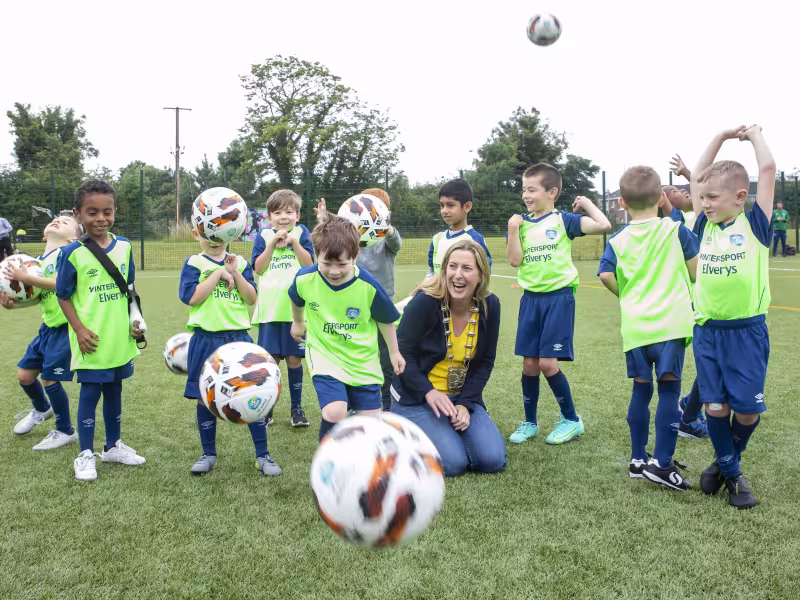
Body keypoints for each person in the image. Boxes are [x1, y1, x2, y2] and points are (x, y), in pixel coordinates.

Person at [689, 125, 775, 509]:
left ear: (741, 197)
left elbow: (768, 168)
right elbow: (696, 175)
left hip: (747, 332)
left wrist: (754, 134)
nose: (705, 203)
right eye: (702, 197)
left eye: (713, 197)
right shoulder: (704, 226)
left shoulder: (754, 225)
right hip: (708, 331)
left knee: (747, 410)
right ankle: (733, 473)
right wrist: (721, 136)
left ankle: (724, 464)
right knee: (715, 408)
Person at [598, 166, 698, 490]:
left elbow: (604, 275)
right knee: (669, 389)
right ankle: (662, 463)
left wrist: (626, 295)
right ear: (661, 198)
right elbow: (696, 272)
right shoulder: (675, 230)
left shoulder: (617, 239)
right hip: (671, 325)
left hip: (637, 328)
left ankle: (638, 459)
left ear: (623, 203)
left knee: (641, 390)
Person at [506, 163, 611, 445]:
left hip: (558, 297)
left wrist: (587, 203)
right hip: (531, 299)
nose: (526, 195)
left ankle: (572, 420)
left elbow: (604, 225)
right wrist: (513, 229)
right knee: (529, 364)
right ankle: (530, 423)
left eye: (532, 189)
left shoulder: (564, 220)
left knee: (547, 363)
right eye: (524, 189)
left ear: (552, 192)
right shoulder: (521, 223)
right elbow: (515, 260)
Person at [390, 239, 506, 476]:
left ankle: (447, 432)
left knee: (492, 460)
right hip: (418, 396)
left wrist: (466, 403)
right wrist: (429, 392)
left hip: (459, 396)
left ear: (481, 274)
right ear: (444, 270)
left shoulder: (490, 305)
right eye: (452, 267)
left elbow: (485, 362)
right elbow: (403, 356)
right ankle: (402, 432)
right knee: (453, 464)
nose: (458, 275)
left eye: (467, 268)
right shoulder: (424, 302)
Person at [56, 181, 145, 481]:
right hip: (91, 340)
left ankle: (112, 447)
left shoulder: (125, 246)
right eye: (92, 212)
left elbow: (129, 289)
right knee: (90, 394)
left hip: (120, 336)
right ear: (78, 214)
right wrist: (79, 329)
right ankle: (84, 454)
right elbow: (63, 296)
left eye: (107, 212)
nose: (101, 218)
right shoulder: (71, 253)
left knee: (115, 391)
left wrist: (137, 321)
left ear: (115, 212)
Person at [288, 214, 404, 442]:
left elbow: (385, 319)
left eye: (342, 264)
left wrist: (393, 352)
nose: (333, 271)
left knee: (371, 421)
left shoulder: (368, 285)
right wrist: (298, 322)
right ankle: (328, 461)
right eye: (326, 264)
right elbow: (296, 297)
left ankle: (364, 465)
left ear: (355, 256)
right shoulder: (305, 278)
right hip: (325, 353)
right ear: (316, 255)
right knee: (335, 410)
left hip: (363, 359)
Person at [180, 218, 281, 476]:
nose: (215, 240)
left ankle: (263, 455)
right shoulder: (194, 263)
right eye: (208, 235)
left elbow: (251, 298)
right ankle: (208, 453)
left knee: (253, 395)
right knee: (205, 400)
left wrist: (235, 272)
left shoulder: (242, 262)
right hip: (205, 339)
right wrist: (217, 274)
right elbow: (192, 298)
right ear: (196, 234)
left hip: (239, 340)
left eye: (221, 234)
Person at [316, 189, 404, 411]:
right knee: (353, 352)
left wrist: (384, 224)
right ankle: (351, 399)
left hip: (381, 305)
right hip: (352, 304)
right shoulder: (351, 240)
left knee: (384, 356)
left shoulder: (388, 241)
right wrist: (326, 218)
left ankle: (384, 402)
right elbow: (340, 229)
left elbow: (396, 240)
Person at [1, 215, 81, 450]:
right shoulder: (35, 262)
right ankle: (41, 408)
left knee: (49, 378)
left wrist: (25, 278)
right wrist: (13, 304)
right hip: (47, 328)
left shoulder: (68, 255)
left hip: (66, 327)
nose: (58, 221)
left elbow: (62, 284)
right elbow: (37, 296)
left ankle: (66, 430)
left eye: (66, 222)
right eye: (55, 219)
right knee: (25, 376)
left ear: (73, 238)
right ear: (45, 234)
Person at [252, 190, 314, 428]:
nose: (283, 217)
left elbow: (310, 265)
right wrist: (271, 244)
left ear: (297, 215)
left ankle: (296, 410)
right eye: (278, 213)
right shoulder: (263, 235)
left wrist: (294, 242)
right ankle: (266, 409)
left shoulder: (302, 233)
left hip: (294, 313)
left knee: (294, 360)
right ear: (270, 217)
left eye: (289, 212)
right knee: (270, 362)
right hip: (269, 310)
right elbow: (258, 268)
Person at [427, 179, 492, 277]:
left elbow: (485, 273)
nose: (444, 210)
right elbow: (432, 271)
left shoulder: (475, 239)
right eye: (442, 205)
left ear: (467, 206)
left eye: (450, 205)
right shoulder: (437, 239)